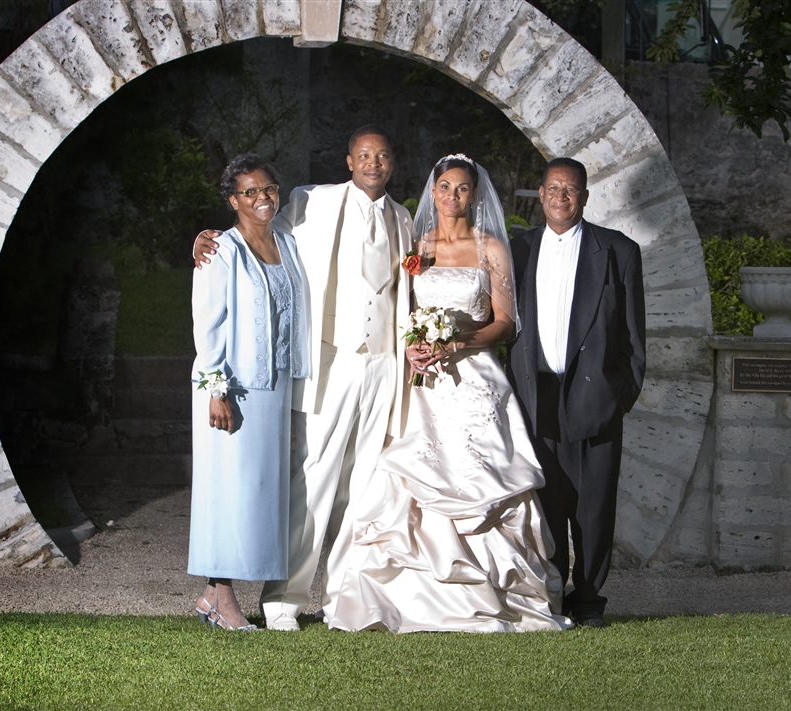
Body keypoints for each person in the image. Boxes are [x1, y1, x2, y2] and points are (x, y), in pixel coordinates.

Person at [326, 154, 571, 633]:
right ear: (433, 191)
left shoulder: (491, 248)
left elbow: (505, 323)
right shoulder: (417, 247)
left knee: (481, 476)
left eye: (461, 188)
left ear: (474, 195)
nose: (452, 196)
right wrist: (413, 345)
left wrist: (458, 342)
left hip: (475, 379)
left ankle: (499, 592)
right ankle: (409, 596)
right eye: (444, 187)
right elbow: (400, 312)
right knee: (408, 476)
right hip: (422, 384)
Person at [193, 127, 414, 631]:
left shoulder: (403, 218)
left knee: (364, 488)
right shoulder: (311, 200)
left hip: (384, 362)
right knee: (314, 479)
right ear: (349, 160)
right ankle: (283, 601)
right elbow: (253, 226)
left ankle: (345, 601)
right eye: (364, 155)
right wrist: (207, 239)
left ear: (392, 162)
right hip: (332, 361)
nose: (373, 163)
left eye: (382, 155)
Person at [508, 157, 646, 629]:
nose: (560, 197)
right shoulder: (518, 249)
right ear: (540, 193)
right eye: (552, 188)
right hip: (535, 396)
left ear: (584, 197)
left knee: (594, 506)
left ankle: (587, 599)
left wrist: (618, 397)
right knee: (546, 503)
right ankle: (548, 594)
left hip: (595, 397)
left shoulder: (618, 251)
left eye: (570, 190)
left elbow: (633, 338)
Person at [188, 154, 308, 631]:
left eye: (269, 189)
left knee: (257, 494)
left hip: (274, 386)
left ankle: (212, 596)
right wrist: (214, 387)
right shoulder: (220, 250)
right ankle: (220, 596)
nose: (262, 198)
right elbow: (207, 323)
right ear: (233, 200)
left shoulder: (288, 243)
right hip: (231, 389)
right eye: (250, 192)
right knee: (227, 489)